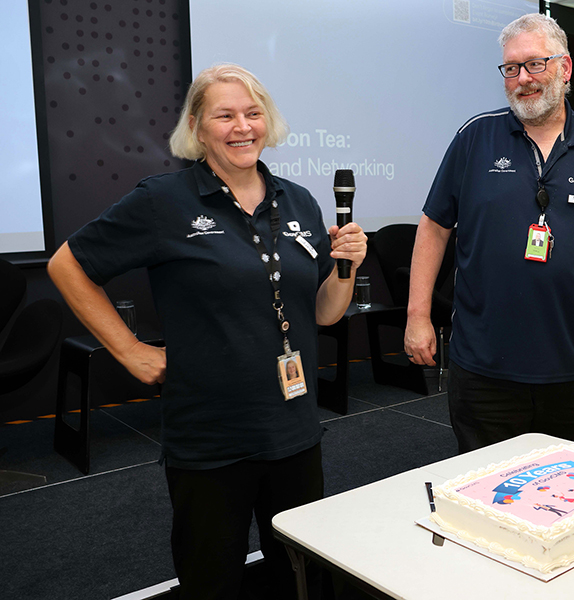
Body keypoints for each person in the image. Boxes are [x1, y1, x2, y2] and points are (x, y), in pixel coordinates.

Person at [48, 63, 367, 599]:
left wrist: (347, 266)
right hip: (211, 439)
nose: (242, 127)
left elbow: (325, 314)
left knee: (301, 575)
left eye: (252, 113)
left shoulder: (299, 201)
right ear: (197, 127)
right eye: (225, 115)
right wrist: (131, 352)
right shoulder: (163, 201)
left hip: (292, 430)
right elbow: (66, 265)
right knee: (212, 578)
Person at [404, 13, 574, 454]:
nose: (522, 78)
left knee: (563, 491)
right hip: (484, 367)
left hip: (572, 368)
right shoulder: (474, 138)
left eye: (535, 64)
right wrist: (417, 315)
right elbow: (433, 228)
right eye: (511, 68)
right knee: (487, 494)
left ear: (564, 68)